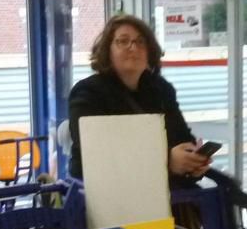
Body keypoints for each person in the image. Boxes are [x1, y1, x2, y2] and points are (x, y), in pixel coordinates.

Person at [68, 14, 210, 186]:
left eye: (140, 42)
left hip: (161, 191)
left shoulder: (161, 89)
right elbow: (97, 152)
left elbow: (181, 137)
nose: (133, 47)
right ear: (107, 51)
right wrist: (167, 160)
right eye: (123, 41)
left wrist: (192, 161)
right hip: (106, 192)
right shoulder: (88, 92)